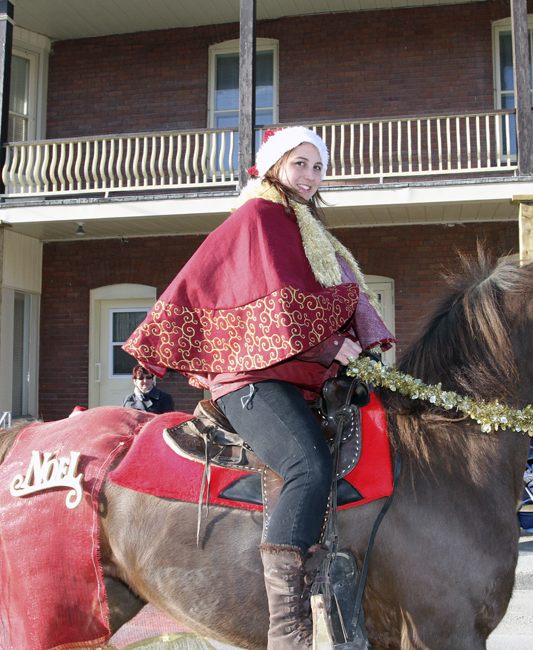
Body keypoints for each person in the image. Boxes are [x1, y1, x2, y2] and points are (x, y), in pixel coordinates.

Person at [123, 126, 394, 649]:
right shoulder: (259, 217)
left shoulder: (305, 226)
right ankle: (289, 627)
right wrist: (325, 347)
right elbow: (273, 305)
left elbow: (319, 299)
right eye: (300, 164)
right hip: (251, 378)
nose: (311, 176)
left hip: (296, 376)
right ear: (272, 167)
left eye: (319, 166)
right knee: (307, 464)